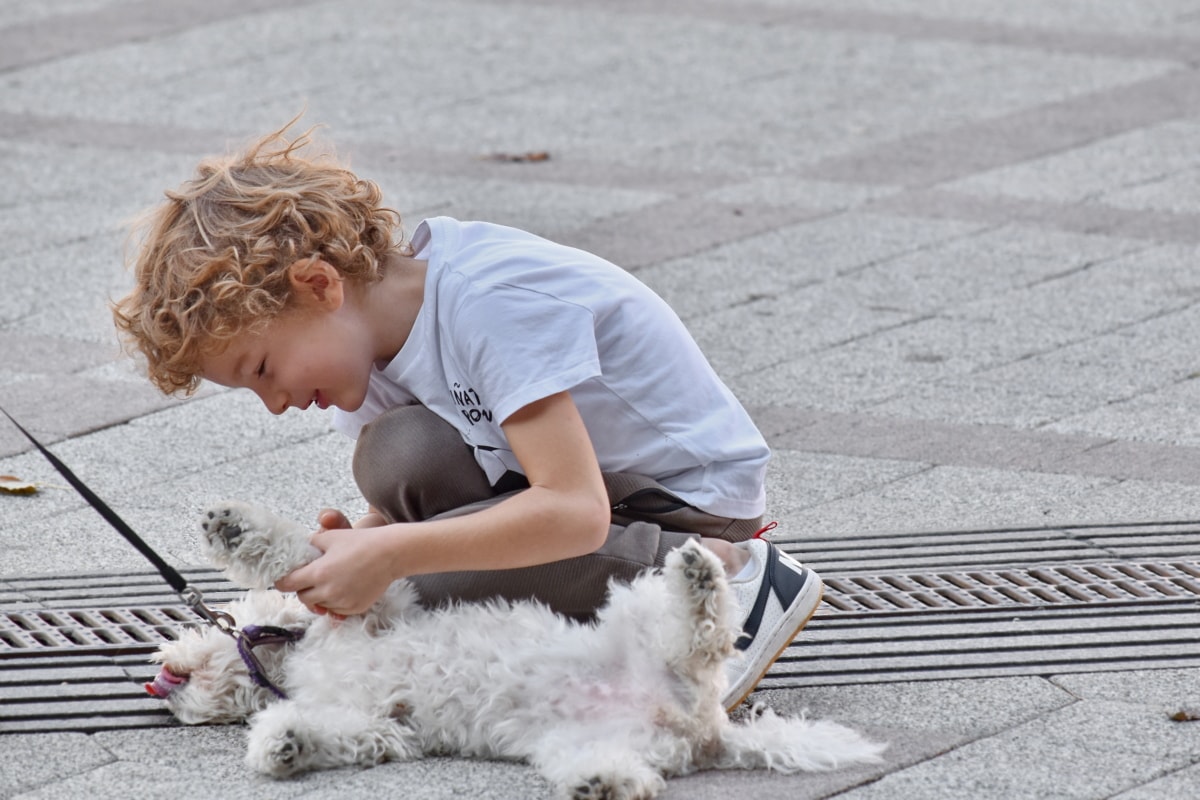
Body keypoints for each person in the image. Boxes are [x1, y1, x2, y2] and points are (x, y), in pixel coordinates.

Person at [112, 124, 823, 710]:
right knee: (396, 457)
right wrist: (353, 555)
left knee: (427, 581)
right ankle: (607, 595)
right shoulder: (369, 350)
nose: (274, 405)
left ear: (319, 285)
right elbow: (404, 510)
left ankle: (727, 578)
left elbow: (573, 510)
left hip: (684, 504)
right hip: (582, 493)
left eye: (264, 370)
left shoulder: (486, 302)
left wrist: (391, 560)